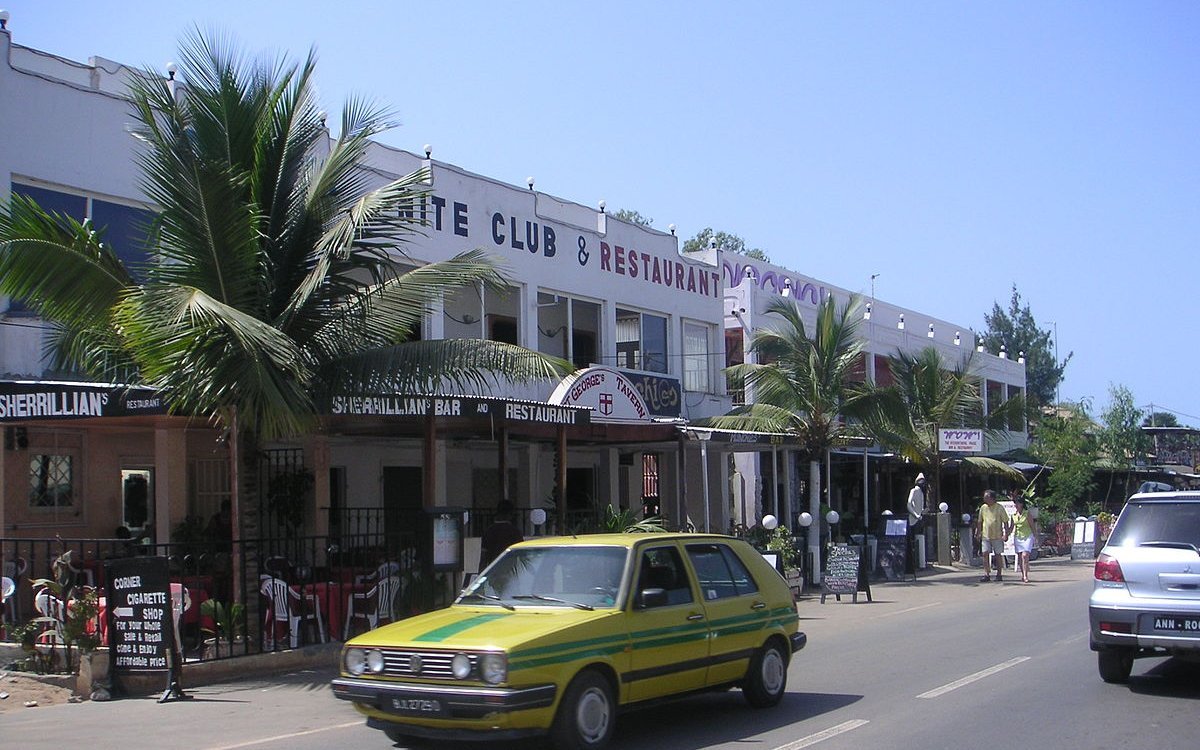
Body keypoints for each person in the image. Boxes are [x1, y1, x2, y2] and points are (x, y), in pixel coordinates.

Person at [974, 490, 1011, 582]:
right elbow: (980, 521)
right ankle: (986, 574)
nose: (985, 499)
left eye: (987, 497)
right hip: (986, 535)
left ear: (992, 498)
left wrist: (1006, 534)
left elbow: (1005, 522)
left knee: (998, 555)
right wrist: (978, 532)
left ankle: (999, 574)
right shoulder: (983, 507)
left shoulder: (999, 508)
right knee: (985, 553)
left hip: (997, 535)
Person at [480, 500, 524, 570]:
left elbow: (483, 558)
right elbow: (521, 556)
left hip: (493, 571)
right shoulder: (515, 532)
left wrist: (481, 573)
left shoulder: (489, 531)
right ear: (510, 514)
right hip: (510, 571)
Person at [1011, 492, 1039, 583]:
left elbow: (1032, 526)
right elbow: (1011, 527)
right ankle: (1023, 574)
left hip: (1027, 536)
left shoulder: (1027, 514)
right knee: (1020, 557)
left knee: (1025, 555)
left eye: (1018, 503)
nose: (1016, 505)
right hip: (1018, 537)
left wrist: (1035, 536)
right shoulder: (1014, 515)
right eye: (1015, 503)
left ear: (1022, 504)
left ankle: (1026, 575)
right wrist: (1006, 534)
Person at [906, 474, 927, 572]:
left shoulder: (922, 493)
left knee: (920, 540)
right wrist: (915, 514)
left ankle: (920, 562)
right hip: (913, 520)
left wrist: (922, 512)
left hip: (919, 519)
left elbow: (920, 506)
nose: (922, 483)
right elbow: (909, 504)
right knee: (912, 542)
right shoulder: (913, 491)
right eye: (920, 481)